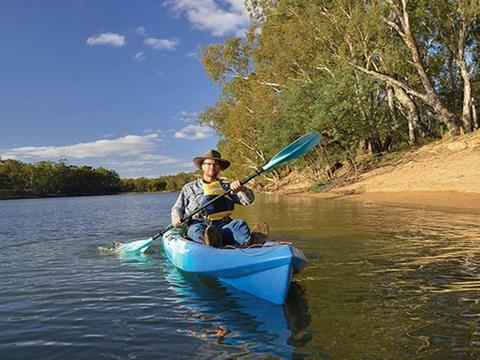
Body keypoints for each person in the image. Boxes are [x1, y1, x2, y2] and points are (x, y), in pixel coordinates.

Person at [171, 149, 266, 248]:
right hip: (198, 224)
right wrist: (176, 217)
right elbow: (177, 208)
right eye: (208, 164)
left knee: (239, 224)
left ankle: (249, 246)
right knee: (197, 231)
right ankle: (211, 245)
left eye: (215, 164)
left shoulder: (226, 187)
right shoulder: (189, 187)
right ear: (202, 166)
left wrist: (242, 189)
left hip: (223, 225)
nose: (211, 167)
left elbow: (248, 201)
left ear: (220, 168)